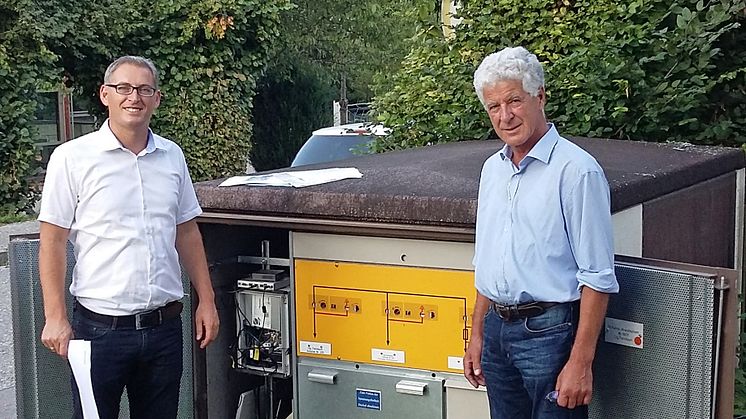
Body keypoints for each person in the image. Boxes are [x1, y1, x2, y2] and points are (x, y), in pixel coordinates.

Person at [37, 55, 220, 419]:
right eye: (123, 88)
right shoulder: (72, 158)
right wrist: (54, 316)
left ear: (157, 98)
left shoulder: (172, 157)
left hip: (164, 329)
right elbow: (52, 240)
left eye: (144, 89)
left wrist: (207, 300)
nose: (133, 97)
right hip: (99, 331)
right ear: (105, 95)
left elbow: (186, 231)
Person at [463, 47, 619, 419]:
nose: (505, 116)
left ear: (540, 96)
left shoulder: (578, 172)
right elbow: (489, 262)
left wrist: (581, 362)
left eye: (514, 101)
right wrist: (477, 335)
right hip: (496, 331)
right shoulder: (492, 170)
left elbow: (597, 276)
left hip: (550, 334)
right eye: (494, 106)